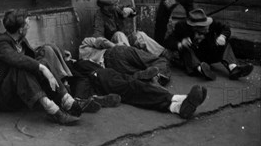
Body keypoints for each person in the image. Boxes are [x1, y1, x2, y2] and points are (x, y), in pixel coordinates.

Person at [0, 9, 106, 125]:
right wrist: (43, 69)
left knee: (43, 60)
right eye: (27, 24)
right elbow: (17, 60)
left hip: (19, 92)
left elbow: (31, 58)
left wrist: (46, 64)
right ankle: (53, 111)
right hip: (4, 96)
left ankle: (68, 101)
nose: (29, 27)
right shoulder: (2, 43)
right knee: (23, 68)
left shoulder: (19, 40)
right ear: (21, 30)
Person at [69, 45, 207, 120]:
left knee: (136, 90)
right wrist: (86, 97)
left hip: (109, 75)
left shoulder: (79, 63)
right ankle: (178, 102)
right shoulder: (73, 70)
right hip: (101, 79)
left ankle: (177, 104)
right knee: (133, 87)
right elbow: (81, 84)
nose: (67, 55)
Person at [164, 8, 253, 81]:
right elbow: (168, 41)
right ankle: (201, 70)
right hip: (193, 58)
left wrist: (222, 36)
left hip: (209, 52)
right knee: (186, 48)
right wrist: (180, 44)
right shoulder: (181, 26)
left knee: (225, 43)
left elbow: (225, 28)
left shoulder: (211, 23)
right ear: (195, 27)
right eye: (204, 28)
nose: (207, 29)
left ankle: (233, 68)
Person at [93, 0, 169, 58]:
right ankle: (130, 58)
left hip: (125, 42)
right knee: (118, 34)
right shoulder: (99, 17)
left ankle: (164, 54)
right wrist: (113, 45)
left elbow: (134, 10)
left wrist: (130, 10)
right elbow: (98, 38)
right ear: (106, 7)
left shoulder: (115, 9)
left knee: (140, 35)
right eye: (115, 5)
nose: (117, 6)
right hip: (113, 48)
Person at [79, 36, 171, 86]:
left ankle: (147, 80)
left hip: (111, 69)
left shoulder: (80, 63)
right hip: (114, 53)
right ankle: (160, 76)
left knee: (136, 74)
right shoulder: (84, 44)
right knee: (158, 60)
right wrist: (116, 46)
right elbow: (101, 41)